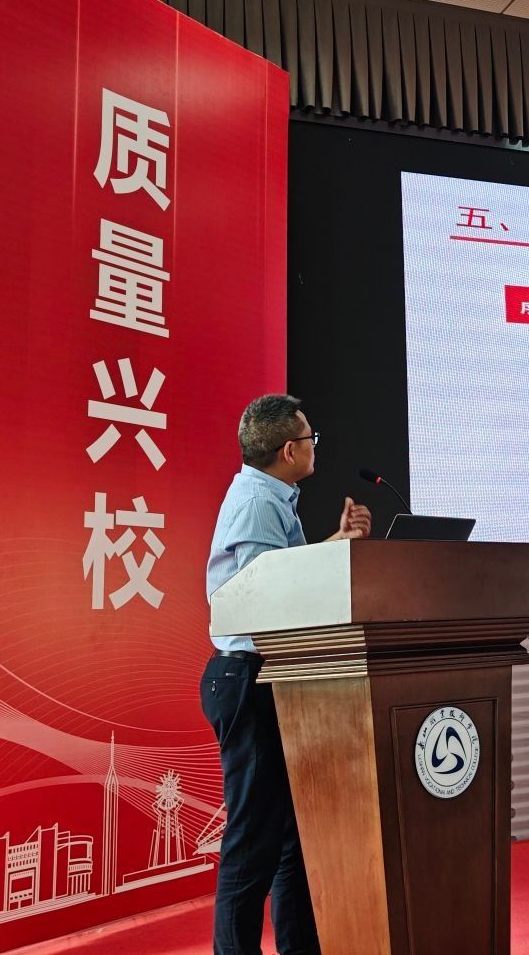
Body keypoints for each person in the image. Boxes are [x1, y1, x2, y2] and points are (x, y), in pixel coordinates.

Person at [202, 393, 371, 955]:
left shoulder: (272, 496)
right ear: (290, 450)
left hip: (270, 677)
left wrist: (336, 545)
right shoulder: (258, 502)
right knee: (253, 842)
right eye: (310, 438)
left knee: (290, 837)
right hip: (249, 679)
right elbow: (264, 597)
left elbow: (278, 574)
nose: (314, 446)